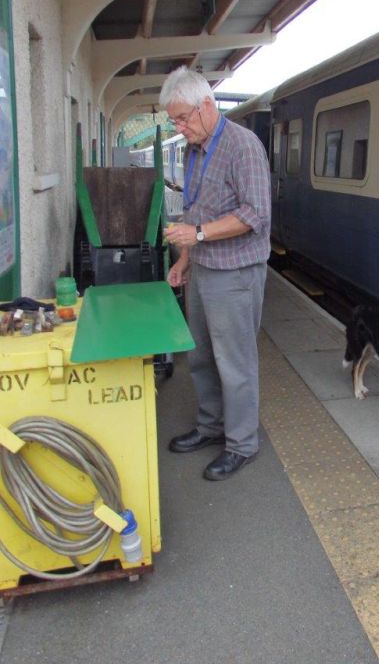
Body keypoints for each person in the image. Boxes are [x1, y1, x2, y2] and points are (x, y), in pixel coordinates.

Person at [160, 67, 271, 480]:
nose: (180, 126)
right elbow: (196, 210)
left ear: (207, 105)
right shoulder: (193, 149)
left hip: (236, 274)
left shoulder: (243, 146)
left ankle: (242, 444)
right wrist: (184, 259)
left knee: (235, 362)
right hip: (204, 269)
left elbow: (256, 213)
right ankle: (211, 427)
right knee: (201, 356)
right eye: (174, 121)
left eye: (183, 117)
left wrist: (199, 234)